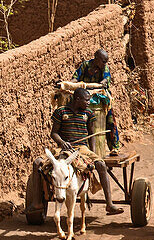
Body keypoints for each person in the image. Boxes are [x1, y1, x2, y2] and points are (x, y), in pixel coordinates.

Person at [29, 87, 122, 215]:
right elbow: (54, 133)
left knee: (101, 164)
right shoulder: (61, 112)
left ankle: (109, 204)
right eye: (87, 100)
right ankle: (37, 203)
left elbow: (91, 135)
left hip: (82, 148)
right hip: (63, 148)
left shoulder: (88, 114)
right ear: (77, 99)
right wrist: (62, 142)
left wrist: (92, 153)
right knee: (37, 163)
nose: (89, 103)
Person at [70, 47, 120, 153]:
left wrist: (102, 83)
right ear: (96, 58)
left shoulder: (104, 68)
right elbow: (76, 77)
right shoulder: (85, 65)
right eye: (103, 61)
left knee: (110, 119)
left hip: (100, 98)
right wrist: (70, 84)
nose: (105, 63)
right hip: (85, 98)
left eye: (106, 61)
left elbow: (106, 80)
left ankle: (114, 147)